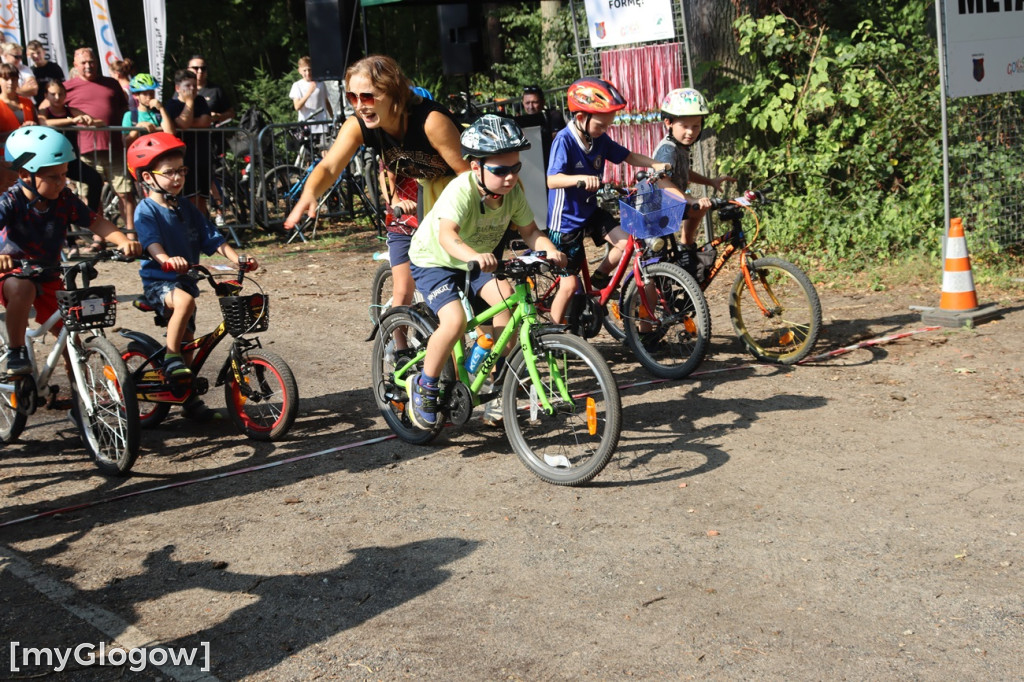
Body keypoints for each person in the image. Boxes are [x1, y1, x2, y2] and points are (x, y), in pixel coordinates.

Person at [405, 115, 566, 430]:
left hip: (477, 260)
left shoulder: (512, 191)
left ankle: (492, 383)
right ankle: (424, 385)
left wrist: (549, 250)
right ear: (476, 167)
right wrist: (474, 256)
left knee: (508, 303)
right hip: (435, 259)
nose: (509, 177)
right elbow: (447, 235)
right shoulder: (461, 190)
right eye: (500, 170)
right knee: (455, 321)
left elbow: (531, 230)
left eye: (515, 168)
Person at [285, 54, 469, 321]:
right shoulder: (360, 125)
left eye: (368, 97)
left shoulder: (432, 122)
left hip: (462, 204)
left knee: (482, 311)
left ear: (394, 94)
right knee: (450, 314)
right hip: (429, 206)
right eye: (352, 98)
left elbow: (470, 177)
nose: (360, 106)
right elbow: (329, 167)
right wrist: (310, 192)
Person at [126, 132, 251, 418]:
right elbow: (150, 242)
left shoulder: (186, 208)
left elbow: (213, 237)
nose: (178, 178)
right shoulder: (146, 210)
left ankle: (188, 398)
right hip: (160, 280)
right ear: (148, 178)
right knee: (184, 305)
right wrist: (166, 259)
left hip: (185, 281)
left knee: (190, 341)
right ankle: (169, 357)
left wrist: (238, 259)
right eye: (169, 172)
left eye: (181, 171)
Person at [0, 126, 141, 376]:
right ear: (24, 174)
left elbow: (95, 221)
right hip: (13, 272)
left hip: (48, 272)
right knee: (23, 287)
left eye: (64, 174)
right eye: (53, 177)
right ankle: (15, 350)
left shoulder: (64, 198)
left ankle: (79, 387)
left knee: (71, 333)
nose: (62, 182)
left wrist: (121, 240)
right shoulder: (10, 201)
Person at [545, 77, 669, 325]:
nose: (605, 131)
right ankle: (551, 335)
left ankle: (601, 277)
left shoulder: (598, 138)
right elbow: (552, 180)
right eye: (601, 126)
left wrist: (655, 164)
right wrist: (580, 179)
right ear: (581, 118)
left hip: (590, 211)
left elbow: (628, 156)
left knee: (625, 243)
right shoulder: (564, 140)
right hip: (566, 221)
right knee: (569, 285)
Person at [652, 88, 736, 280]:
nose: (691, 132)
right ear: (669, 123)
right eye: (685, 126)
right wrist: (690, 199)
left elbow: (684, 172)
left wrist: (711, 182)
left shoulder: (680, 147)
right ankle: (643, 306)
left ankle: (685, 247)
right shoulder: (668, 149)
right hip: (656, 213)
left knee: (699, 208)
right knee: (657, 271)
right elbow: (662, 180)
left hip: (671, 207)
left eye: (696, 126)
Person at [63, 47, 134, 237]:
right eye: (84, 62)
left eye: (92, 61)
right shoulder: (67, 87)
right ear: (75, 65)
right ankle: (98, 236)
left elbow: (123, 108)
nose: (88, 66)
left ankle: (131, 234)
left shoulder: (111, 83)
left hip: (115, 148)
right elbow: (50, 109)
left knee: (125, 192)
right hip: (84, 149)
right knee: (92, 194)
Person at [37, 79, 106, 254]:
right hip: (51, 163)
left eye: (61, 94)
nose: (57, 97)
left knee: (95, 179)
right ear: (46, 95)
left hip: (71, 161)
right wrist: (72, 120)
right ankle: (70, 242)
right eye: (53, 94)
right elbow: (44, 123)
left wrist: (87, 119)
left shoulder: (70, 111)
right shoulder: (45, 111)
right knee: (57, 197)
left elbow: (99, 122)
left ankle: (88, 214)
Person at [164, 69, 213, 217]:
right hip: (184, 158)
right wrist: (190, 103)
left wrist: (187, 121)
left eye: (194, 85)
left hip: (203, 155)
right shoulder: (171, 105)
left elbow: (205, 121)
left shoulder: (201, 101)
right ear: (177, 88)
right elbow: (184, 124)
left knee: (202, 197)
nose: (192, 89)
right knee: (188, 197)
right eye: (188, 86)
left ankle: (203, 229)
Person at [0, 63, 37, 191]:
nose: (10, 82)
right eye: (6, 78)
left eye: (14, 78)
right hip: (4, 161)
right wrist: (18, 133)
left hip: (29, 157)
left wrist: (33, 127)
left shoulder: (27, 102)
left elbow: (39, 126)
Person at [519, 84, 565, 168]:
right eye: (527, 103)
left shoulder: (553, 116)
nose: (531, 107)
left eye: (534, 102)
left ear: (543, 102)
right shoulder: (520, 122)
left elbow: (558, 142)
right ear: (523, 103)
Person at [123, 73, 174, 144]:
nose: (149, 97)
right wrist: (139, 126)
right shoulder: (129, 115)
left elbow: (170, 134)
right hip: (138, 153)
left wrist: (161, 108)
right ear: (136, 95)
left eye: (151, 93)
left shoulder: (159, 113)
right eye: (145, 93)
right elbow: (125, 142)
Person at [188, 55, 234, 125]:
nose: (200, 71)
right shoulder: (182, 89)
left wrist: (218, 116)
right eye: (196, 68)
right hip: (186, 134)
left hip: (210, 134)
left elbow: (231, 113)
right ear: (188, 70)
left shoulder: (216, 90)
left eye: (203, 68)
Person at [26, 40, 64, 107]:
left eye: (38, 52)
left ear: (44, 52)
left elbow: (63, 87)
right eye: (32, 54)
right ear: (28, 55)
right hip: (38, 106)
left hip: (56, 105)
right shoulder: (29, 71)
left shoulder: (54, 67)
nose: (36, 56)